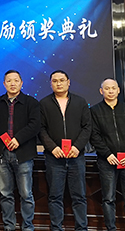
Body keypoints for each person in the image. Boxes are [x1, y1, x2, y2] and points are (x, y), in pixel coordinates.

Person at [39, 70, 92, 231]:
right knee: (55, 196)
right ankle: (56, 228)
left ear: (68, 82)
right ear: (50, 84)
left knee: (79, 196)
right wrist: (53, 148)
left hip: (76, 157)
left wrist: (77, 147)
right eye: (55, 81)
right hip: (54, 158)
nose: (58, 83)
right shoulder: (44, 103)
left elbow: (87, 127)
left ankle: (81, 228)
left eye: (62, 80)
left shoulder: (80, 102)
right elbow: (41, 129)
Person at [0, 70, 40, 231]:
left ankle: (28, 226)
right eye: (9, 81)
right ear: (4, 84)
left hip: (23, 154)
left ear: (21, 83)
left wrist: (18, 139)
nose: (13, 83)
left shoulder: (31, 102)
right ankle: (9, 226)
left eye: (16, 80)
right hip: (2, 155)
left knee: (26, 194)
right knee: (5, 194)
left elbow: (35, 125)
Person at [90, 78, 125, 231]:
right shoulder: (95, 111)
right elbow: (94, 136)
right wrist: (107, 154)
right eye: (107, 88)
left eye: (113, 88)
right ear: (101, 91)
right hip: (107, 161)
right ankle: (110, 228)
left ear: (118, 90)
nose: (110, 91)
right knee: (108, 198)